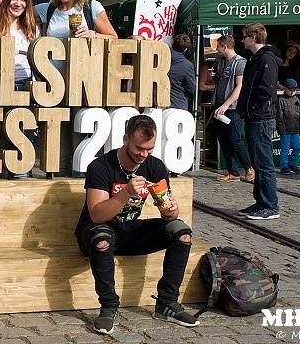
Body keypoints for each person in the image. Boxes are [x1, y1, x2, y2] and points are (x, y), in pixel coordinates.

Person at [75, 115, 199, 334]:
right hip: (94, 232)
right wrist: (126, 193)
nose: (143, 155)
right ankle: (109, 308)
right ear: (125, 139)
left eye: (149, 149)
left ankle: (167, 303)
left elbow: (168, 214)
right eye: (139, 148)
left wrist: (170, 211)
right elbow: (97, 215)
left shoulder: (155, 166)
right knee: (102, 239)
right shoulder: (101, 166)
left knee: (181, 232)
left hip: (129, 231)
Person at [34, 0, 117, 176]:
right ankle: (59, 184)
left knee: (80, 141)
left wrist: (93, 34)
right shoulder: (47, 10)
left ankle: (84, 185)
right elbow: (13, 14)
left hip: (83, 87)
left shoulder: (91, 8)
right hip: (54, 87)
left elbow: (114, 38)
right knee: (58, 146)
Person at [236, 23, 283, 221]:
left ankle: (270, 205)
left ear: (253, 38)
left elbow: (266, 89)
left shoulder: (266, 59)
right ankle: (261, 201)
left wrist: (253, 108)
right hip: (254, 116)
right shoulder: (255, 58)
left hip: (261, 117)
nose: (242, 40)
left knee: (264, 163)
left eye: (244, 37)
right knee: (258, 162)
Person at [0, 0, 40, 178]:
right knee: (0, 141)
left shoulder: (32, 28)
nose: (18, 3)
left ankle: (23, 180)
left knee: (23, 141)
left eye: (23, 0)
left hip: (24, 87)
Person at [211, 35, 254, 183]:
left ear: (225, 47)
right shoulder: (220, 61)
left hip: (233, 108)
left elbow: (240, 86)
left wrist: (226, 104)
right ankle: (233, 172)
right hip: (219, 106)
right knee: (223, 140)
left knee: (235, 139)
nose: (216, 49)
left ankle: (249, 168)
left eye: (218, 46)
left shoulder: (240, 63)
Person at [277, 79, 300, 175]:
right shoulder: (281, 100)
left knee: (297, 147)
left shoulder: (296, 99)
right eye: (290, 90)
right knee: (285, 148)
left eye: (294, 90)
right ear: (285, 89)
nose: (292, 92)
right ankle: (284, 166)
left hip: (295, 129)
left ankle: (292, 163)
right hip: (285, 129)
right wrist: (281, 129)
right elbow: (279, 116)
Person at [168, 34, 196, 112]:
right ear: (185, 49)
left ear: (172, 44)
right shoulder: (187, 65)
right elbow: (191, 88)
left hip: (157, 104)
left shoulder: (160, 59)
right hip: (178, 104)